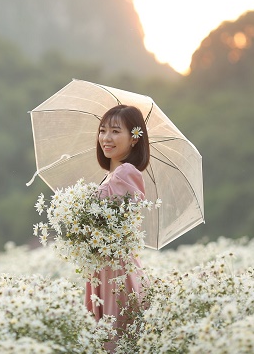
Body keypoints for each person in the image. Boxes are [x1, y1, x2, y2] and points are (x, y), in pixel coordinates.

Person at [85, 104, 150, 351]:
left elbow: (118, 222)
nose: (106, 138)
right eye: (102, 131)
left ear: (134, 139)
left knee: (115, 339)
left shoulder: (126, 172)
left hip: (117, 271)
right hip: (103, 266)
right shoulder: (112, 174)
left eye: (115, 131)